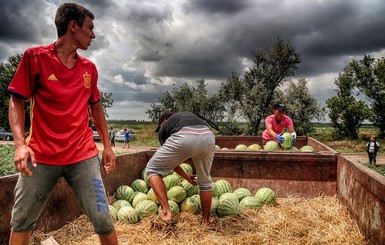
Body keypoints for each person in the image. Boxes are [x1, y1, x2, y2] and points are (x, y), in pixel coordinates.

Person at [7, 3, 118, 245]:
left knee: (103, 218)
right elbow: (17, 101)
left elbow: (96, 108)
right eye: (90, 28)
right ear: (73, 26)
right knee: (22, 219)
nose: (93, 34)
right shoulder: (35, 58)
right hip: (41, 156)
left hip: (83, 156)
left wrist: (107, 146)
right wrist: (19, 145)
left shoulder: (89, 69)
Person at [146, 112, 215, 226]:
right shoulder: (186, 117)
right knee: (205, 181)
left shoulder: (165, 128)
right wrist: (187, 177)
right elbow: (173, 162)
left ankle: (166, 213)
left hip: (185, 137)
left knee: (153, 169)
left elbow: (171, 163)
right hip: (208, 137)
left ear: (163, 122)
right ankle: (206, 221)